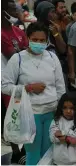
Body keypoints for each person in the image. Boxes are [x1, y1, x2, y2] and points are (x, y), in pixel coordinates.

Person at [2, 22, 66, 165]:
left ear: (47, 40)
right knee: (33, 154)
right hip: (30, 114)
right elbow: (4, 86)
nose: (39, 43)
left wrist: (61, 111)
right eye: (35, 40)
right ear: (28, 38)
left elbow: (60, 86)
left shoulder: (52, 57)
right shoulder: (18, 59)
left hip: (51, 112)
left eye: (42, 40)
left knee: (49, 154)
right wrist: (28, 88)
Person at [1, 0, 29, 164]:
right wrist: (23, 52)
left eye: (16, 8)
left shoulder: (18, 30)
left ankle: (25, 149)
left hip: (23, 78)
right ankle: (16, 151)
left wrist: (23, 52)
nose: (15, 11)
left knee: (24, 114)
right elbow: (13, 54)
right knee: (11, 117)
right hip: (6, 80)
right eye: (11, 8)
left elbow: (26, 51)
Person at [49, 92, 76, 165]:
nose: (68, 111)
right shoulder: (56, 120)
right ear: (61, 108)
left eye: (71, 108)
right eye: (65, 107)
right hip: (58, 163)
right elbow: (52, 137)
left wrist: (63, 135)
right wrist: (69, 138)